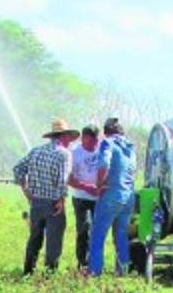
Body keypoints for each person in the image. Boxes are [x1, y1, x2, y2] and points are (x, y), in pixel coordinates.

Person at [14, 118, 77, 275]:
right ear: (63, 137)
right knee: (54, 240)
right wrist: (61, 200)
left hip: (36, 202)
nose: (69, 140)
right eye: (68, 137)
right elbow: (63, 179)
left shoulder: (36, 151)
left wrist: (26, 191)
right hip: (54, 203)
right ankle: (50, 273)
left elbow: (18, 169)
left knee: (35, 237)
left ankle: (28, 270)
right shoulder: (64, 154)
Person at [87, 117, 137, 277]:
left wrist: (99, 184)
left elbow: (104, 164)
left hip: (111, 194)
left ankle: (95, 272)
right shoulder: (130, 148)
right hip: (128, 196)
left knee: (98, 235)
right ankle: (123, 272)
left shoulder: (107, 143)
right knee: (121, 236)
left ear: (107, 132)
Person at [69, 124, 101, 271]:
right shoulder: (74, 153)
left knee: (97, 229)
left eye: (95, 142)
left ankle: (95, 262)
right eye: (89, 142)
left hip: (99, 197)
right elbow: (69, 179)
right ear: (83, 139)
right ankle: (83, 262)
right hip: (81, 197)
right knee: (84, 227)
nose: (92, 145)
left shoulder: (102, 150)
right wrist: (87, 187)